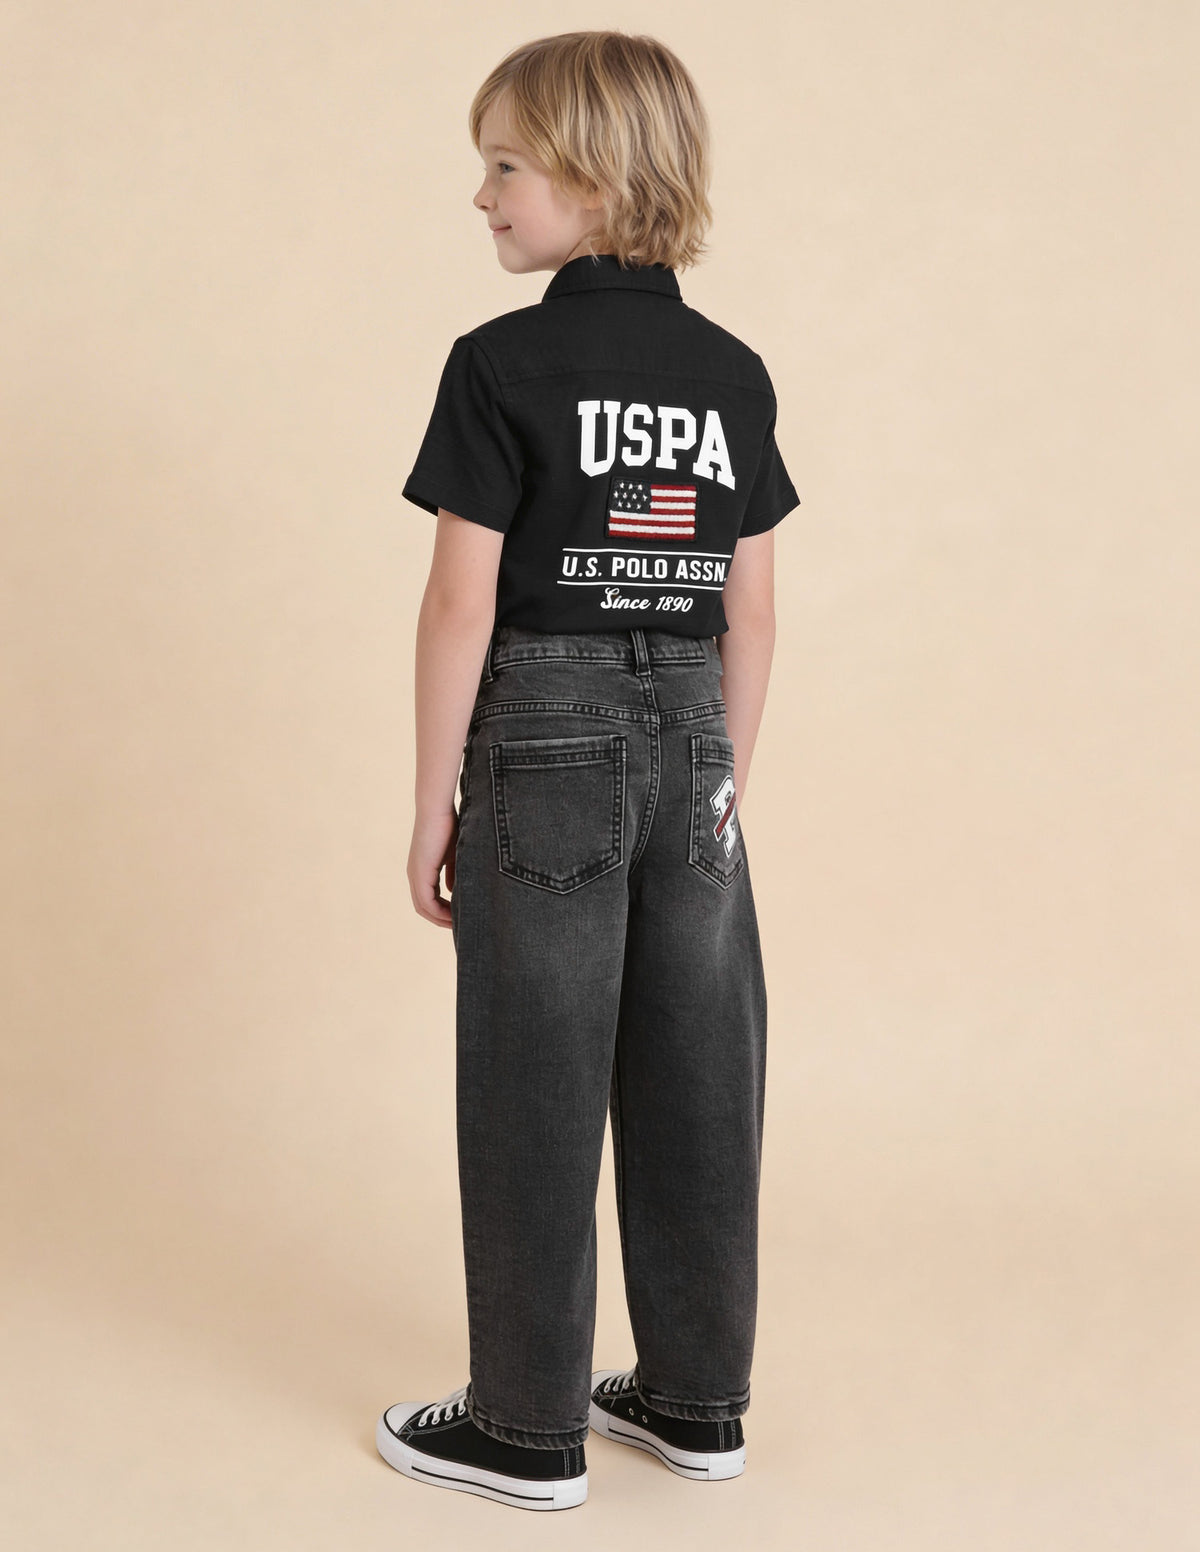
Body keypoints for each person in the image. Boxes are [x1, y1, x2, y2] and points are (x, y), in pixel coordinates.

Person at [375, 30, 801, 1512]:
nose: (482, 194)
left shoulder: (502, 364)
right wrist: (719, 791)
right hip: (698, 744)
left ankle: (524, 1425)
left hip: (544, 739)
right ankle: (695, 1401)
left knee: (533, 1071)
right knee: (702, 1067)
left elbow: (459, 605)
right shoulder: (733, 375)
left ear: (598, 177)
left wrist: (434, 801)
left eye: (505, 164)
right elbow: (751, 613)